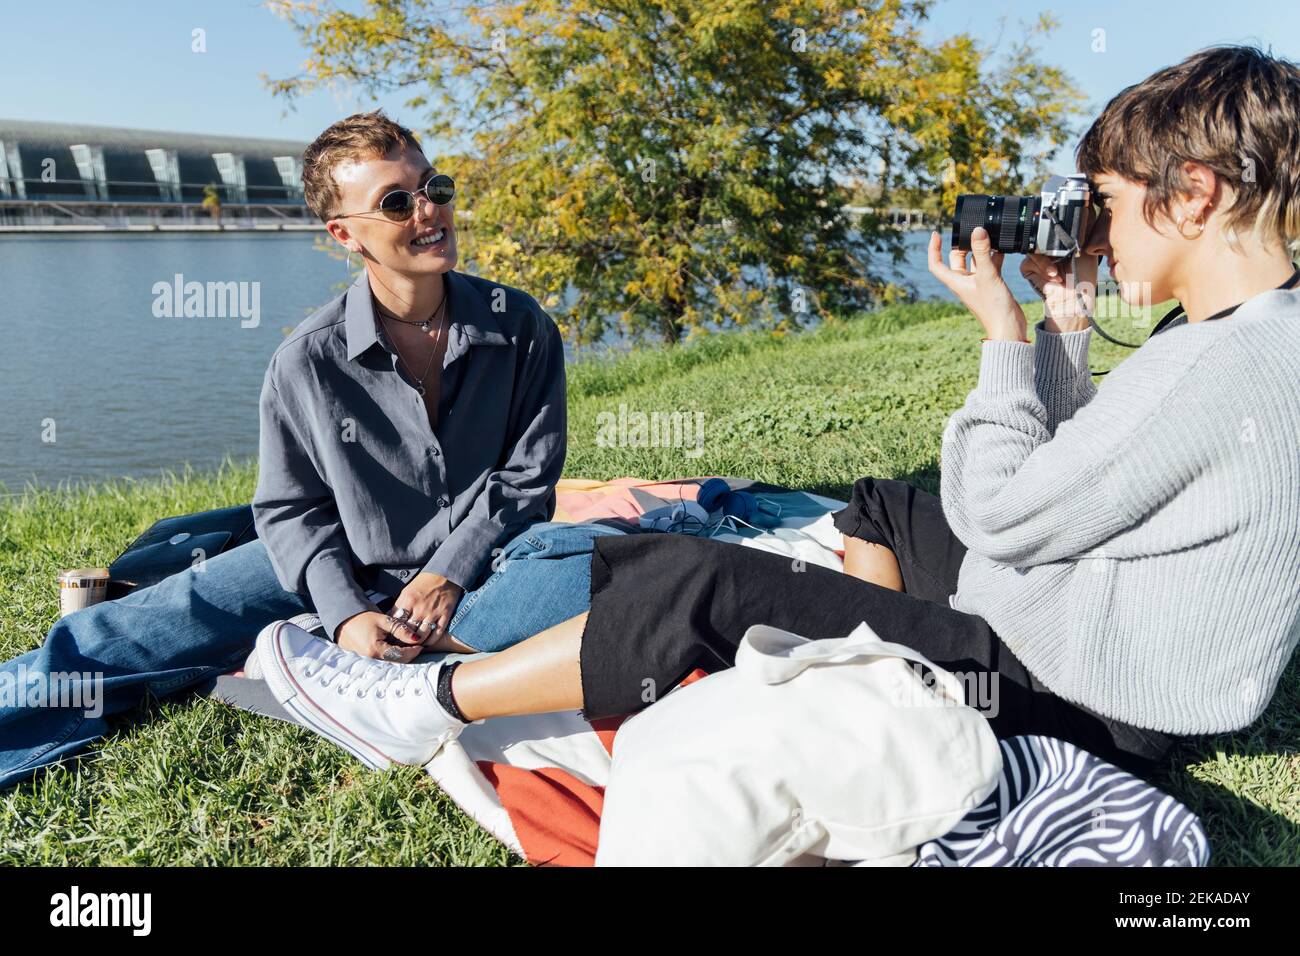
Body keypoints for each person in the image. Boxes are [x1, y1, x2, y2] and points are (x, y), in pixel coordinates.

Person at [256, 46, 1300, 780]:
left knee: (693, 573)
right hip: (1086, 624)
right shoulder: (1244, 331)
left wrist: (1004, 334)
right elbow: (1081, 469)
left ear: (1195, 194)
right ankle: (880, 676)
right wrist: (1067, 319)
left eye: (1106, 201)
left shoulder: (1222, 368)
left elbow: (1002, 514)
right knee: (883, 507)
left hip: (1094, 697)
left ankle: (422, 706)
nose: (1094, 228)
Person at [0, 111, 572, 790]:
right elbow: (291, 510)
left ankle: (325, 657)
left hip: (491, 559)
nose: (428, 211)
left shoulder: (523, 326)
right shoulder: (306, 360)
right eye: (396, 202)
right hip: (339, 559)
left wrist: (448, 571)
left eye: (433, 188)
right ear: (344, 234)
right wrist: (347, 614)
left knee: (609, 595)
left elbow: (527, 479)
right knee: (132, 634)